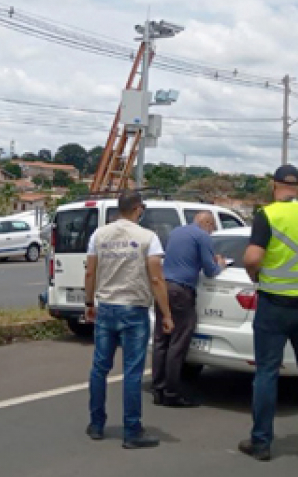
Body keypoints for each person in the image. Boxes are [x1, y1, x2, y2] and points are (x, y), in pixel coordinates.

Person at [238, 165, 298, 463]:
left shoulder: (268, 215)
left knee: (267, 372)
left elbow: (253, 257)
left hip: (274, 304)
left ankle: (262, 442)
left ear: (273, 185)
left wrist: (255, 276)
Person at [84, 191, 173, 449]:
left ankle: (97, 424)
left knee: (100, 368)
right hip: (134, 310)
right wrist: (166, 314)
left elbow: (90, 271)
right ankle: (132, 430)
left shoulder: (99, 235)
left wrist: (89, 303)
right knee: (132, 372)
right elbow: (156, 278)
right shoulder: (148, 238)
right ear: (138, 209)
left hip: (106, 307)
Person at [151, 211, 228, 407]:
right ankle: (172, 392)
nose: (212, 232)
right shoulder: (202, 236)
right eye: (213, 228)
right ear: (208, 223)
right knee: (178, 342)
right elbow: (210, 271)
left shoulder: (176, 232)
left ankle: (158, 389)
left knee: (161, 340)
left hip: (164, 288)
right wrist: (221, 264)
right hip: (181, 291)